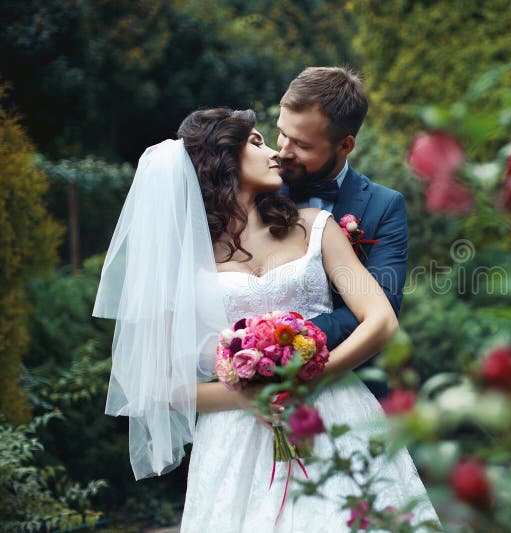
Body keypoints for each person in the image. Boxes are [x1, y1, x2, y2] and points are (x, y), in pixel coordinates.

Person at [93, 108, 438, 532]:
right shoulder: (181, 266)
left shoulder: (315, 227)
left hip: (335, 410)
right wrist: (245, 397)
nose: (275, 152)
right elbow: (159, 383)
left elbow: (381, 320)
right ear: (220, 161)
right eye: (256, 142)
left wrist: (312, 375)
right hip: (234, 437)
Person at [275, 66, 409, 399]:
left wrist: (282, 338)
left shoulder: (384, 206)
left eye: (302, 144)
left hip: (350, 387)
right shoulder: (257, 189)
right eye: (282, 133)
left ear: (345, 145)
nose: (284, 152)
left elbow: (382, 308)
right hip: (254, 391)